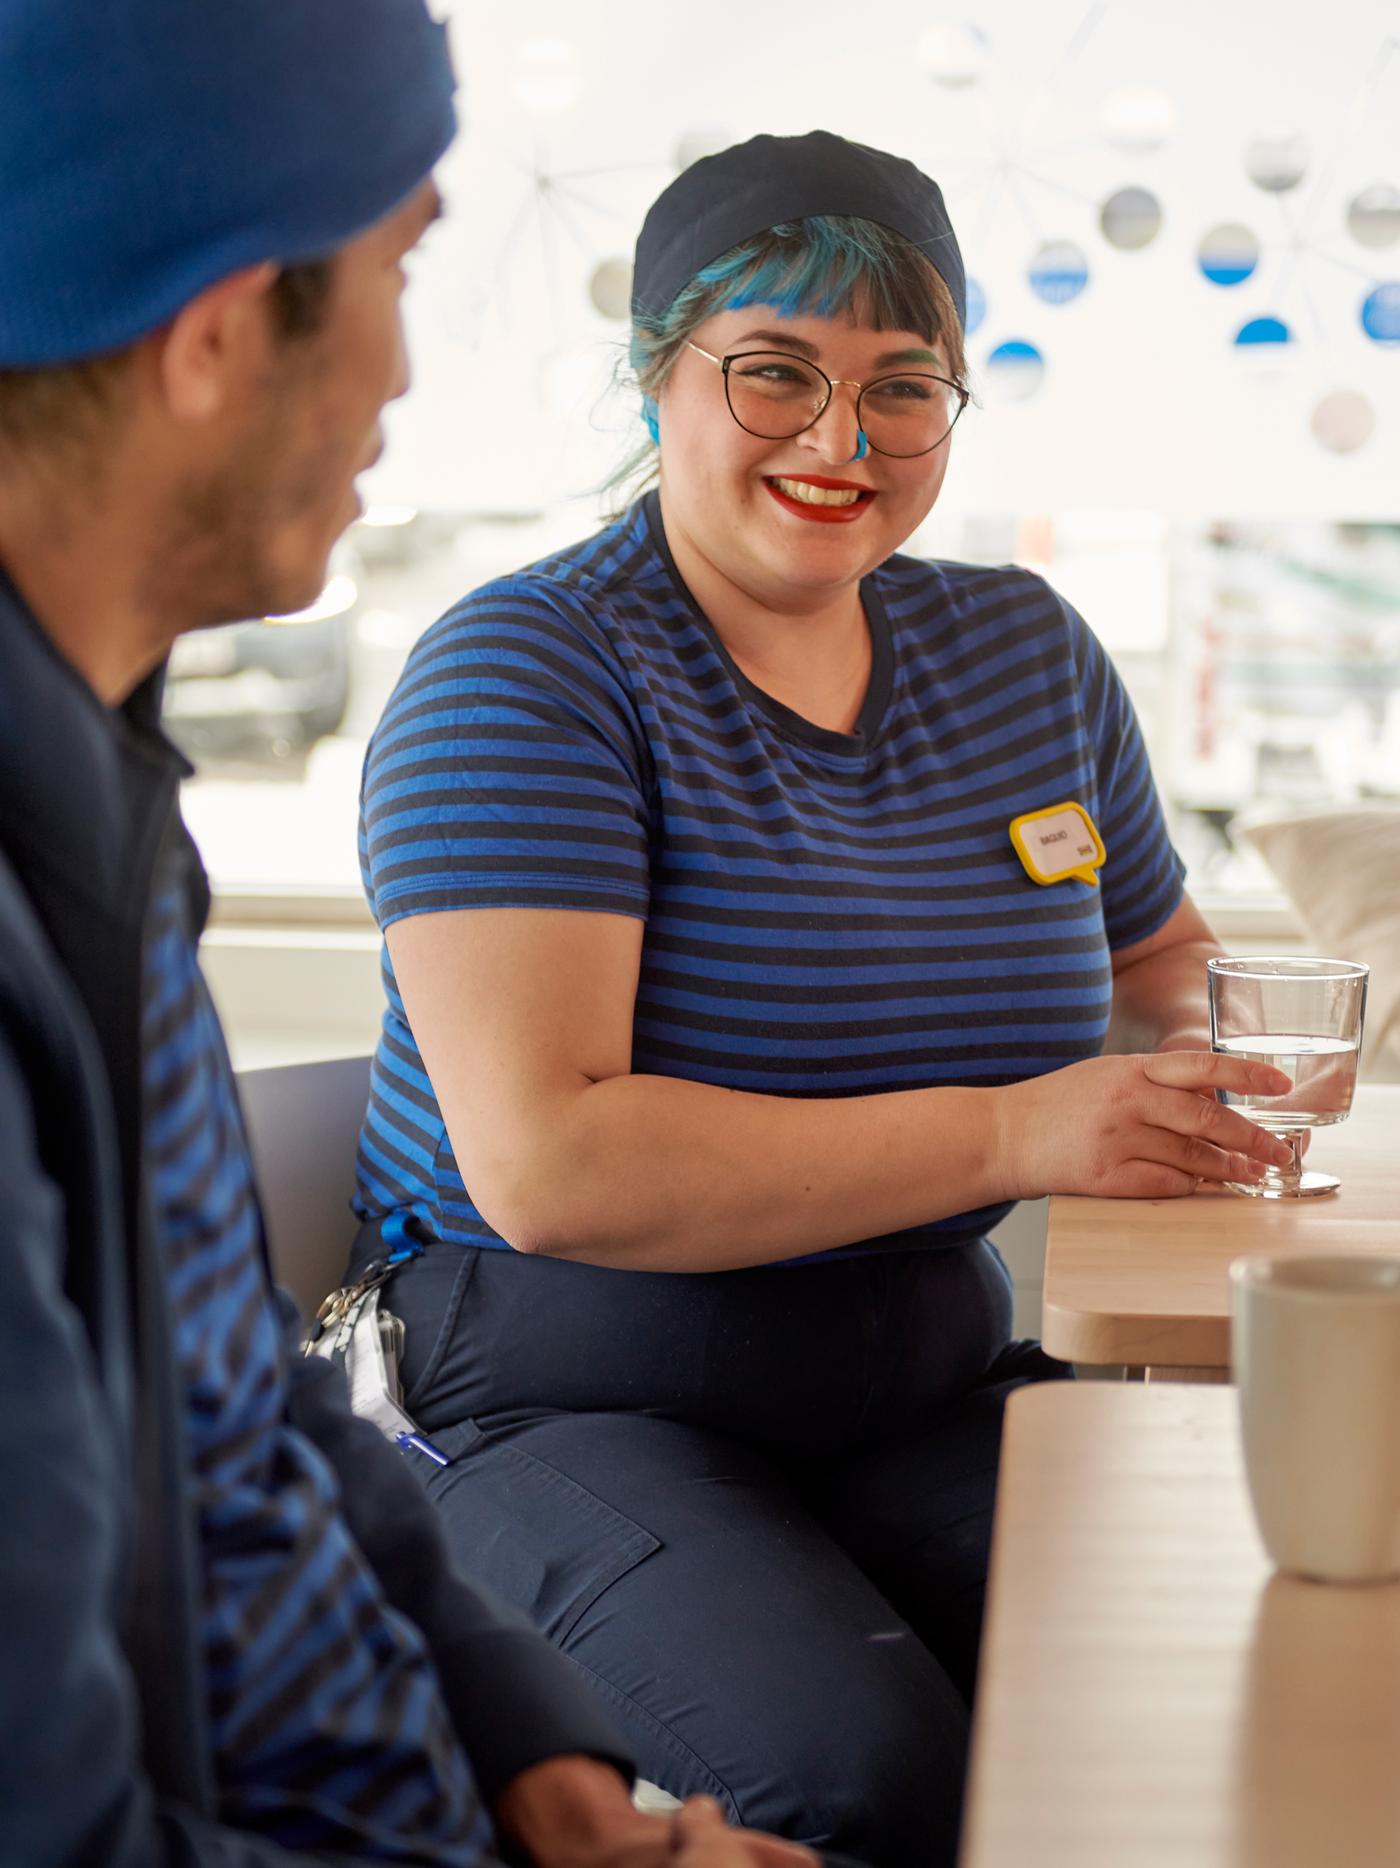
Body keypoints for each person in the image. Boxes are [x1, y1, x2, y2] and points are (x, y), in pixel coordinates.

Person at [348, 126, 1296, 1863]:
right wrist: (1024, 1125)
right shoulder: (525, 671)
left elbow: (1164, 968)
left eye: (901, 386)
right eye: (774, 373)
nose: (840, 442)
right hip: (573, 1402)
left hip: (920, 1379)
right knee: (868, 1786)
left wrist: (1220, 1070)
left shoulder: (1023, 654)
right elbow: (556, 1165)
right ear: (654, 378)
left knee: (1254, 1663)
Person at [0, 8, 833, 1866]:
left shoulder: (105, 802)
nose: (401, 374)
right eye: (395, 271)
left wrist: (534, 1759)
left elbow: (244, 1409)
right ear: (218, 331)